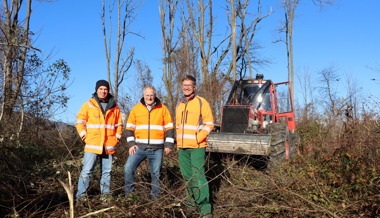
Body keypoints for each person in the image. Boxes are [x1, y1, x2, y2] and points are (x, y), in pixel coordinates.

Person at [75, 79, 123, 202]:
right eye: (101, 89)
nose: (103, 91)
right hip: (93, 144)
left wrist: (117, 138)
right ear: (96, 90)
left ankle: (105, 197)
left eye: (105, 89)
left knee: (107, 173)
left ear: (108, 91)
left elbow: (119, 125)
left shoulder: (115, 107)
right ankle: (81, 197)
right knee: (86, 172)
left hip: (108, 146)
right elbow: (80, 122)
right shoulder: (88, 105)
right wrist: (84, 136)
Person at [124, 85, 174, 200]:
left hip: (157, 149)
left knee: (156, 175)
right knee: (128, 169)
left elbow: (170, 128)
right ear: (143, 96)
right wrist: (131, 144)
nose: (149, 97)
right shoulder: (136, 109)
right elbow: (129, 129)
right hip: (139, 148)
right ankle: (130, 196)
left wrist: (169, 145)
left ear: (155, 95)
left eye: (151, 95)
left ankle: (155, 199)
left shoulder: (163, 109)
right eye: (147, 95)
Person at [176, 75, 214, 217]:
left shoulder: (201, 102)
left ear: (194, 87)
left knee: (198, 176)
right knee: (187, 177)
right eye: (184, 85)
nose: (186, 87)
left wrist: (198, 138)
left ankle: (205, 209)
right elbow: (178, 127)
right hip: (182, 148)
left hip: (197, 147)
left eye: (189, 85)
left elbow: (209, 123)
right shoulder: (179, 104)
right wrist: (178, 144)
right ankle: (191, 204)